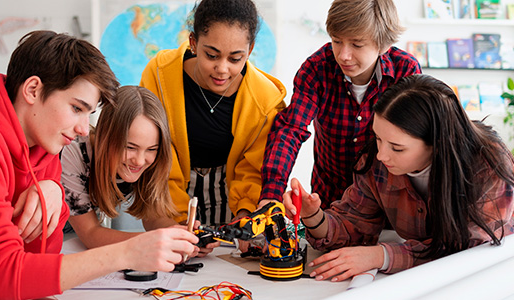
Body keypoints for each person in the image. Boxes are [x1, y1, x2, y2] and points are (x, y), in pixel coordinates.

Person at [0, 30, 197, 300]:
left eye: (89, 114)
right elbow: (3, 274)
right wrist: (127, 253)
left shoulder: (44, 145)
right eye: (76, 108)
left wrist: (54, 192)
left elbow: (38, 260)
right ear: (33, 89)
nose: (84, 129)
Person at [282, 74, 514, 281]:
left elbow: (469, 250)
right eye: (378, 138)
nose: (381, 155)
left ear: (438, 143)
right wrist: (313, 216)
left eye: (397, 148)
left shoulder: (489, 162)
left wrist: (381, 256)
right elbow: (353, 226)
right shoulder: (376, 161)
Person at [260, 0, 421, 209]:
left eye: (357, 44)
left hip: (389, 201)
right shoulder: (316, 69)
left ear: (383, 45)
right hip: (330, 200)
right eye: (336, 41)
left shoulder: (405, 71)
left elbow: (417, 142)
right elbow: (291, 130)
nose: (343, 55)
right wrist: (272, 193)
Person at [140, 0, 286, 231]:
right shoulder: (159, 75)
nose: (222, 69)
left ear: (249, 50)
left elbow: (252, 171)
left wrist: (244, 221)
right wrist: (177, 223)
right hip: (166, 199)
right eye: (211, 55)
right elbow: (155, 155)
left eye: (235, 58)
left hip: (232, 203)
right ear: (193, 43)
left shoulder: (266, 101)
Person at [61, 85, 180, 249]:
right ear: (106, 137)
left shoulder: (151, 161)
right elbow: (91, 234)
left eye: (151, 149)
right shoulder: (73, 152)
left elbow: (153, 216)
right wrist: (156, 240)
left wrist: (178, 234)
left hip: (74, 236)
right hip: (48, 236)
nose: (139, 161)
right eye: (130, 147)